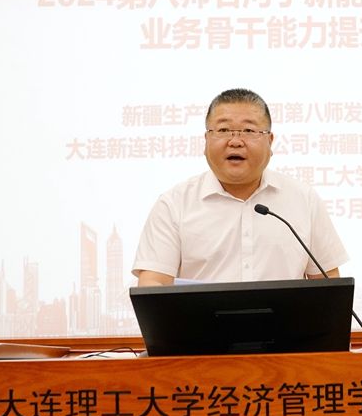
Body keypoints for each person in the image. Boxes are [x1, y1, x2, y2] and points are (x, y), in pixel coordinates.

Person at [132, 88, 348, 286]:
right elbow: (154, 284)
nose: (235, 141)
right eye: (224, 130)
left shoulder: (303, 199)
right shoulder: (174, 204)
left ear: (270, 141)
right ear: (206, 140)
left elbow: (328, 286)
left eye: (248, 130)